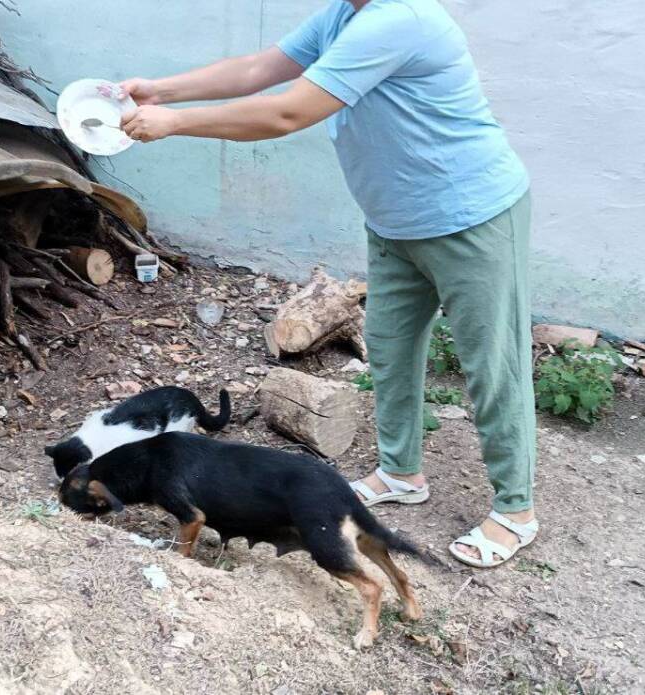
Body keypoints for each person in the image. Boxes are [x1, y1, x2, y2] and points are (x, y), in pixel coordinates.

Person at [118, 0, 537, 568]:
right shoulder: (346, 14)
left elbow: (287, 112)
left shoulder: (399, 19)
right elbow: (259, 69)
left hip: (471, 217)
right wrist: (162, 91)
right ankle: (400, 472)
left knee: (492, 364)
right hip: (395, 222)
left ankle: (515, 510)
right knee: (388, 349)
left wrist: (174, 123)